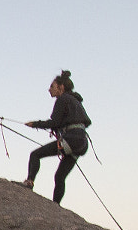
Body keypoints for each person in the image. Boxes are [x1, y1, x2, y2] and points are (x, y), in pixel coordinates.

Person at [22, 70, 91, 202]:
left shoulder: (63, 99)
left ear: (61, 87)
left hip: (71, 139)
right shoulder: (76, 101)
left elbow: (55, 122)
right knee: (60, 176)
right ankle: (56, 207)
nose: (49, 89)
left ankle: (29, 182)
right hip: (81, 143)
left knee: (35, 155)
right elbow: (78, 122)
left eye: (52, 86)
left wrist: (35, 124)